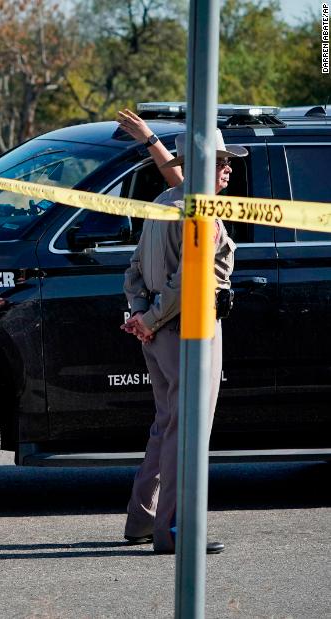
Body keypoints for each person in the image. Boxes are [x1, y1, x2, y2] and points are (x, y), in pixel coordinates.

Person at [120, 128, 244, 555]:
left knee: (167, 425)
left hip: (158, 332)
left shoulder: (163, 204)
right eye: (224, 160)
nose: (230, 168)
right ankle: (173, 531)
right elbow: (189, 280)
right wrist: (151, 317)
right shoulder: (199, 215)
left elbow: (134, 267)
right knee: (188, 432)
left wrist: (141, 316)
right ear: (203, 166)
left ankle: (144, 517)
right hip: (189, 330)